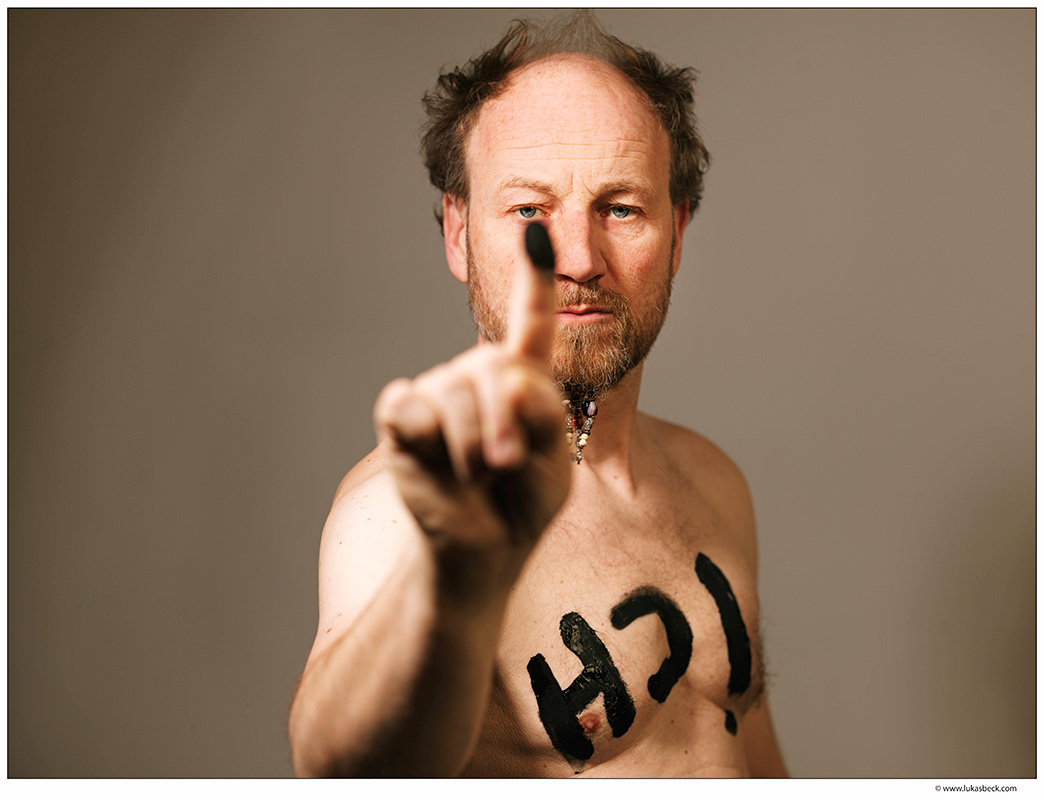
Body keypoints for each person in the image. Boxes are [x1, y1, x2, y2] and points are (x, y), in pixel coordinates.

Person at [288, 12, 787, 778]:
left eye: (621, 208)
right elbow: (338, 766)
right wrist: (458, 574)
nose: (579, 258)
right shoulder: (405, 510)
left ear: (678, 233)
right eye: (529, 212)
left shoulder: (714, 483)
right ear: (458, 234)